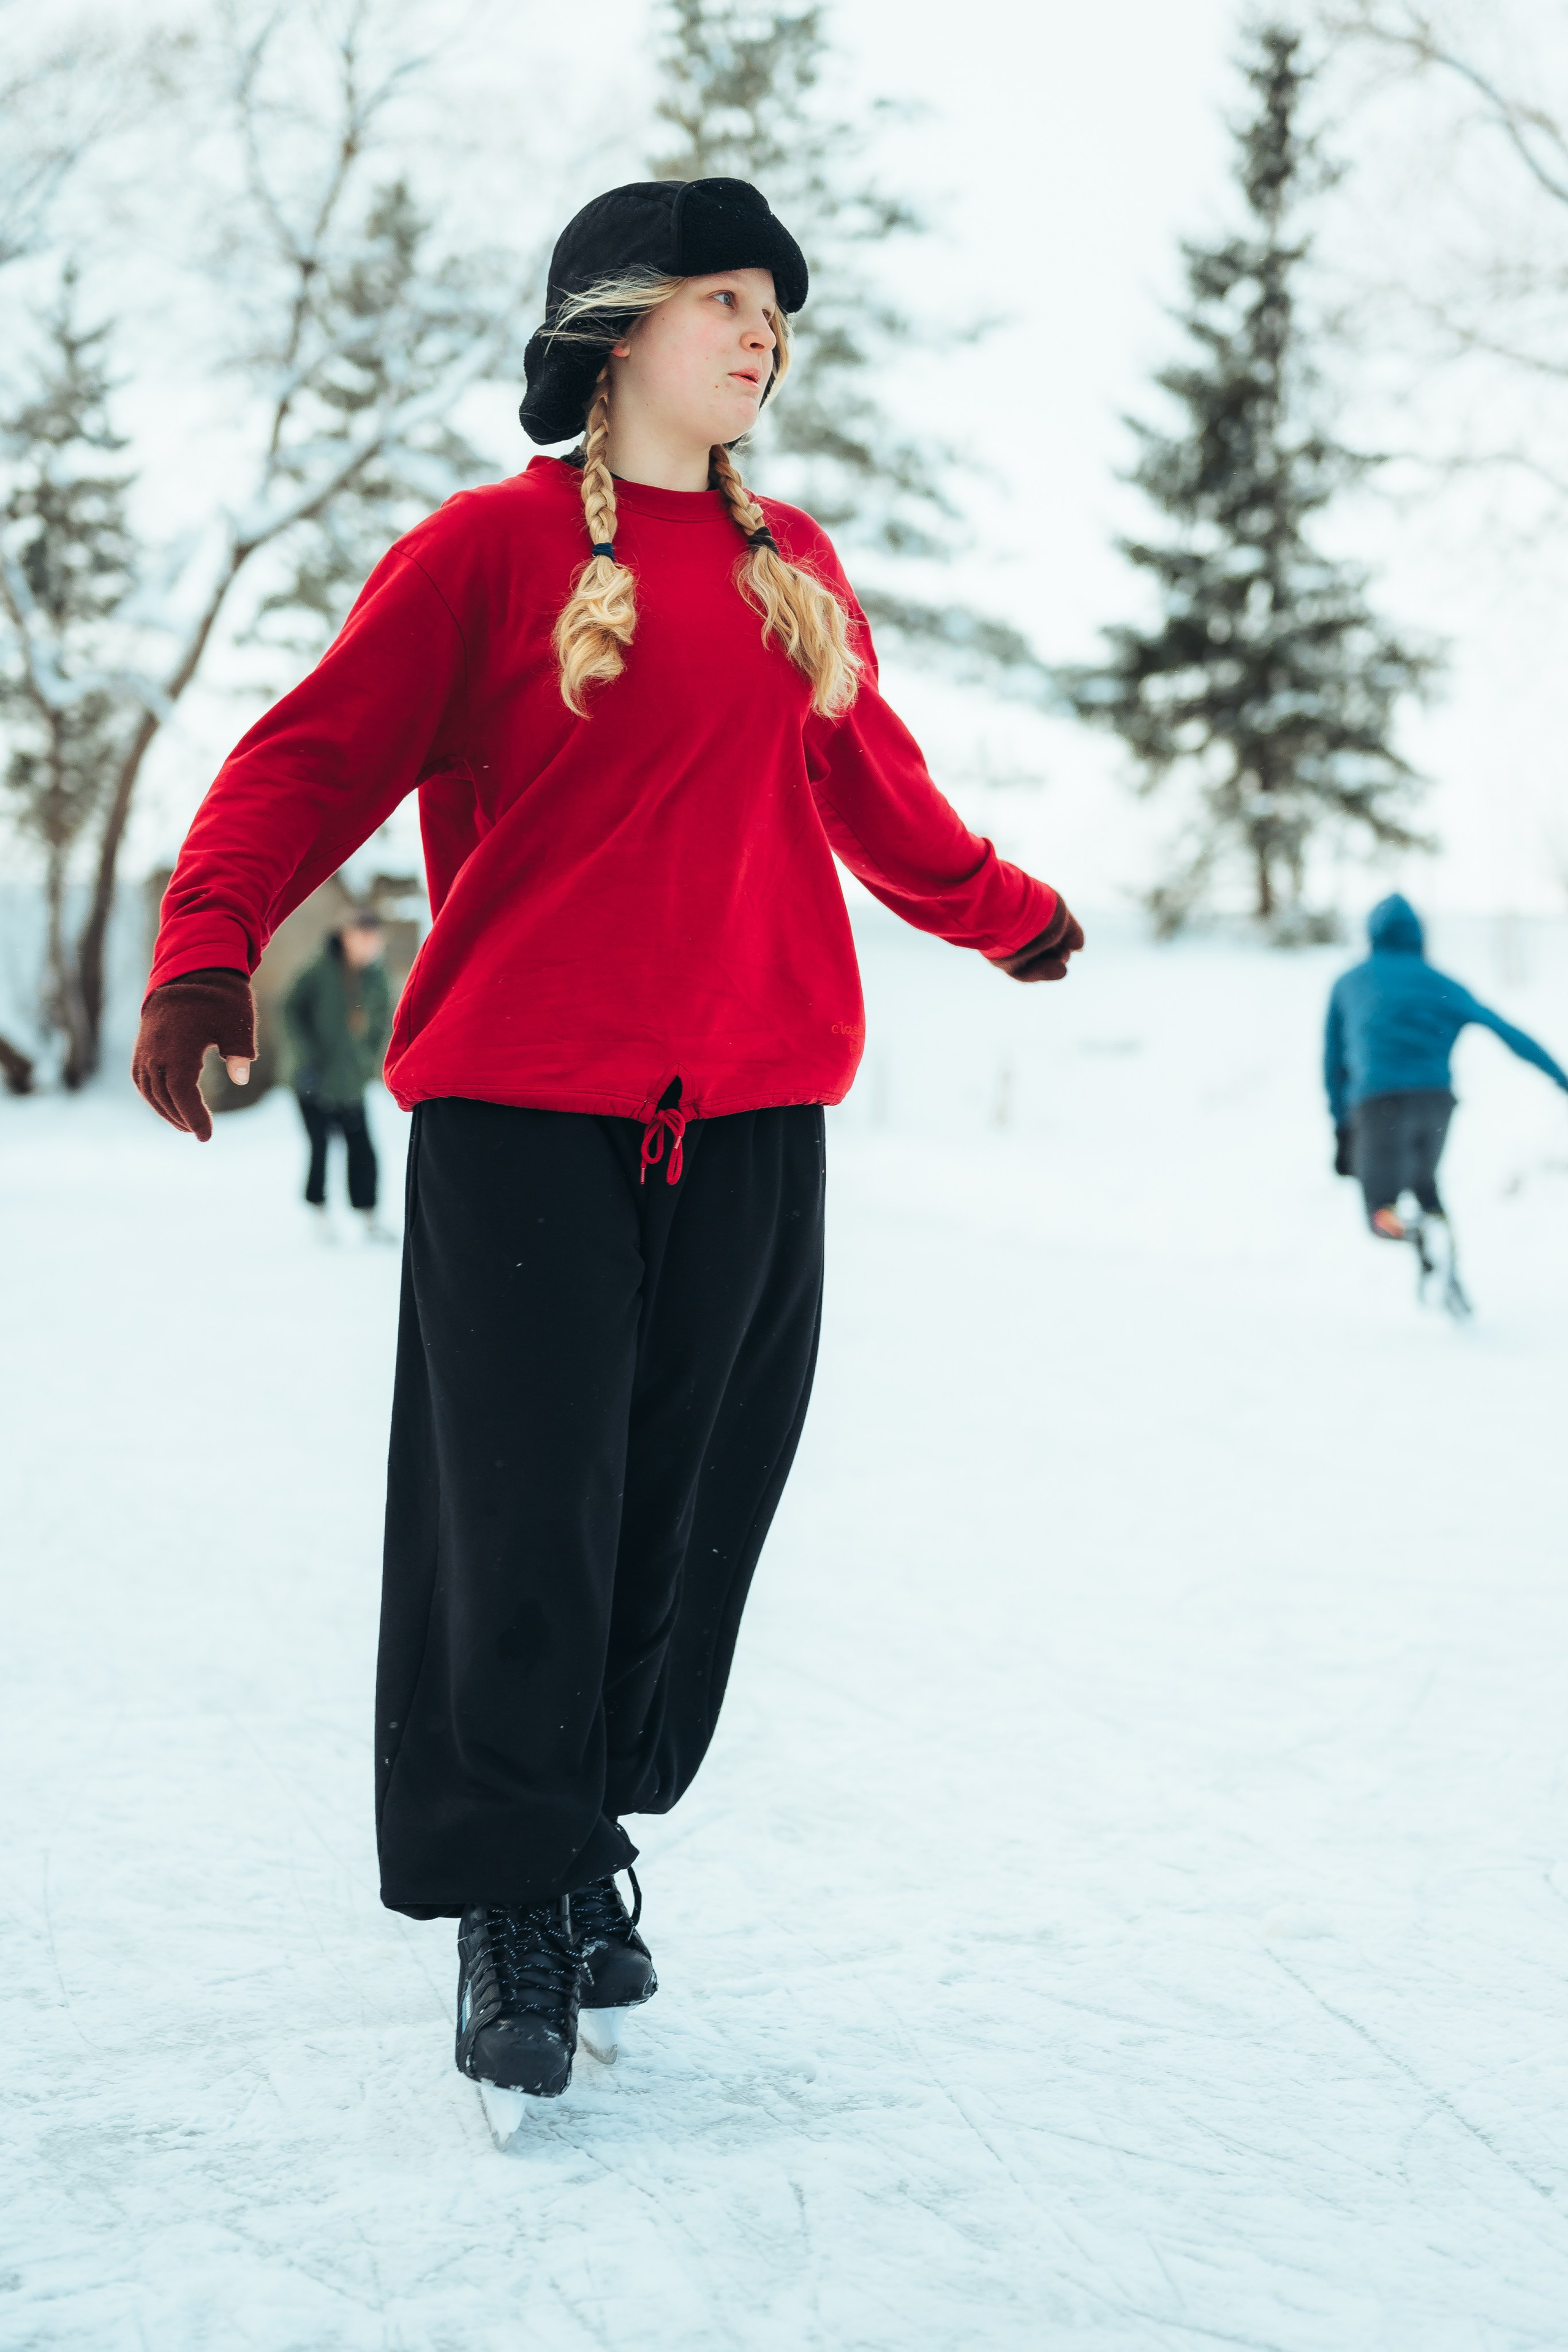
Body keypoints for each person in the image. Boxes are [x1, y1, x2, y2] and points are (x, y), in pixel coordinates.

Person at [129, 176, 1085, 2127]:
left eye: (775, 312)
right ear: (615, 325)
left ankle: (582, 1826)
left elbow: (873, 795)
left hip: (750, 1117)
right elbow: (310, 755)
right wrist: (207, 945)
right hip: (524, 1118)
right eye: (725, 299)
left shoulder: (789, 565)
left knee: (683, 1510)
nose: (760, 335)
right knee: (522, 1512)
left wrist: (1003, 910)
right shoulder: (484, 556)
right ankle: (510, 1886)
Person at [1325, 893, 1568, 1311]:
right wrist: (1561, 1078)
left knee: (1381, 1213)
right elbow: (1508, 1032)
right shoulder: (1442, 983)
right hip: (1436, 1105)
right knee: (1425, 1188)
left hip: (1378, 1104)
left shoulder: (1351, 982)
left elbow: (1332, 1065)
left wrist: (1342, 1125)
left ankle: (1417, 1236)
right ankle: (1446, 1280)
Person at [283, 910, 395, 1242]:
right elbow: (290, 1010)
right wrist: (305, 1057)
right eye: (361, 936)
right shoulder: (320, 969)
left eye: (373, 938)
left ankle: (368, 1218)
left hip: (351, 1081)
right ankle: (319, 1216)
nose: (367, 944)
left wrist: (369, 1062)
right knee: (320, 1146)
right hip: (313, 1078)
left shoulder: (377, 978)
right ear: (346, 936)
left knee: (362, 1148)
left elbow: (381, 1024)